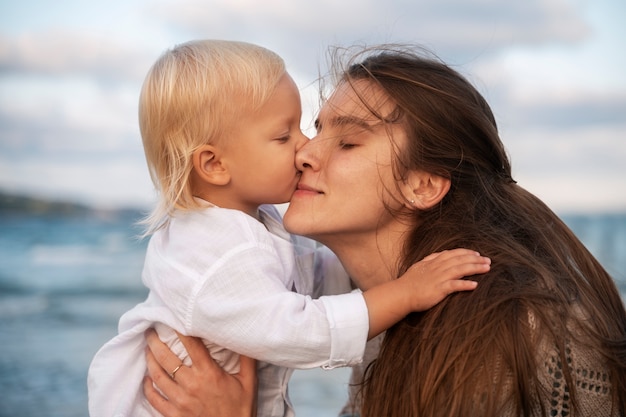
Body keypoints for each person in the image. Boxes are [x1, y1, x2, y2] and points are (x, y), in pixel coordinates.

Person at [142, 44, 626, 417]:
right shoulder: (389, 324)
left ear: (422, 185)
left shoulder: (514, 336)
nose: (305, 153)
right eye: (313, 129)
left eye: (347, 142)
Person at [87, 40, 491, 417]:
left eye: (342, 141)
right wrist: (404, 292)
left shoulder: (248, 225)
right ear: (213, 164)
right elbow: (301, 331)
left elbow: (309, 276)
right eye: (284, 136)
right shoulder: (214, 252)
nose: (305, 149)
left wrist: (386, 269)